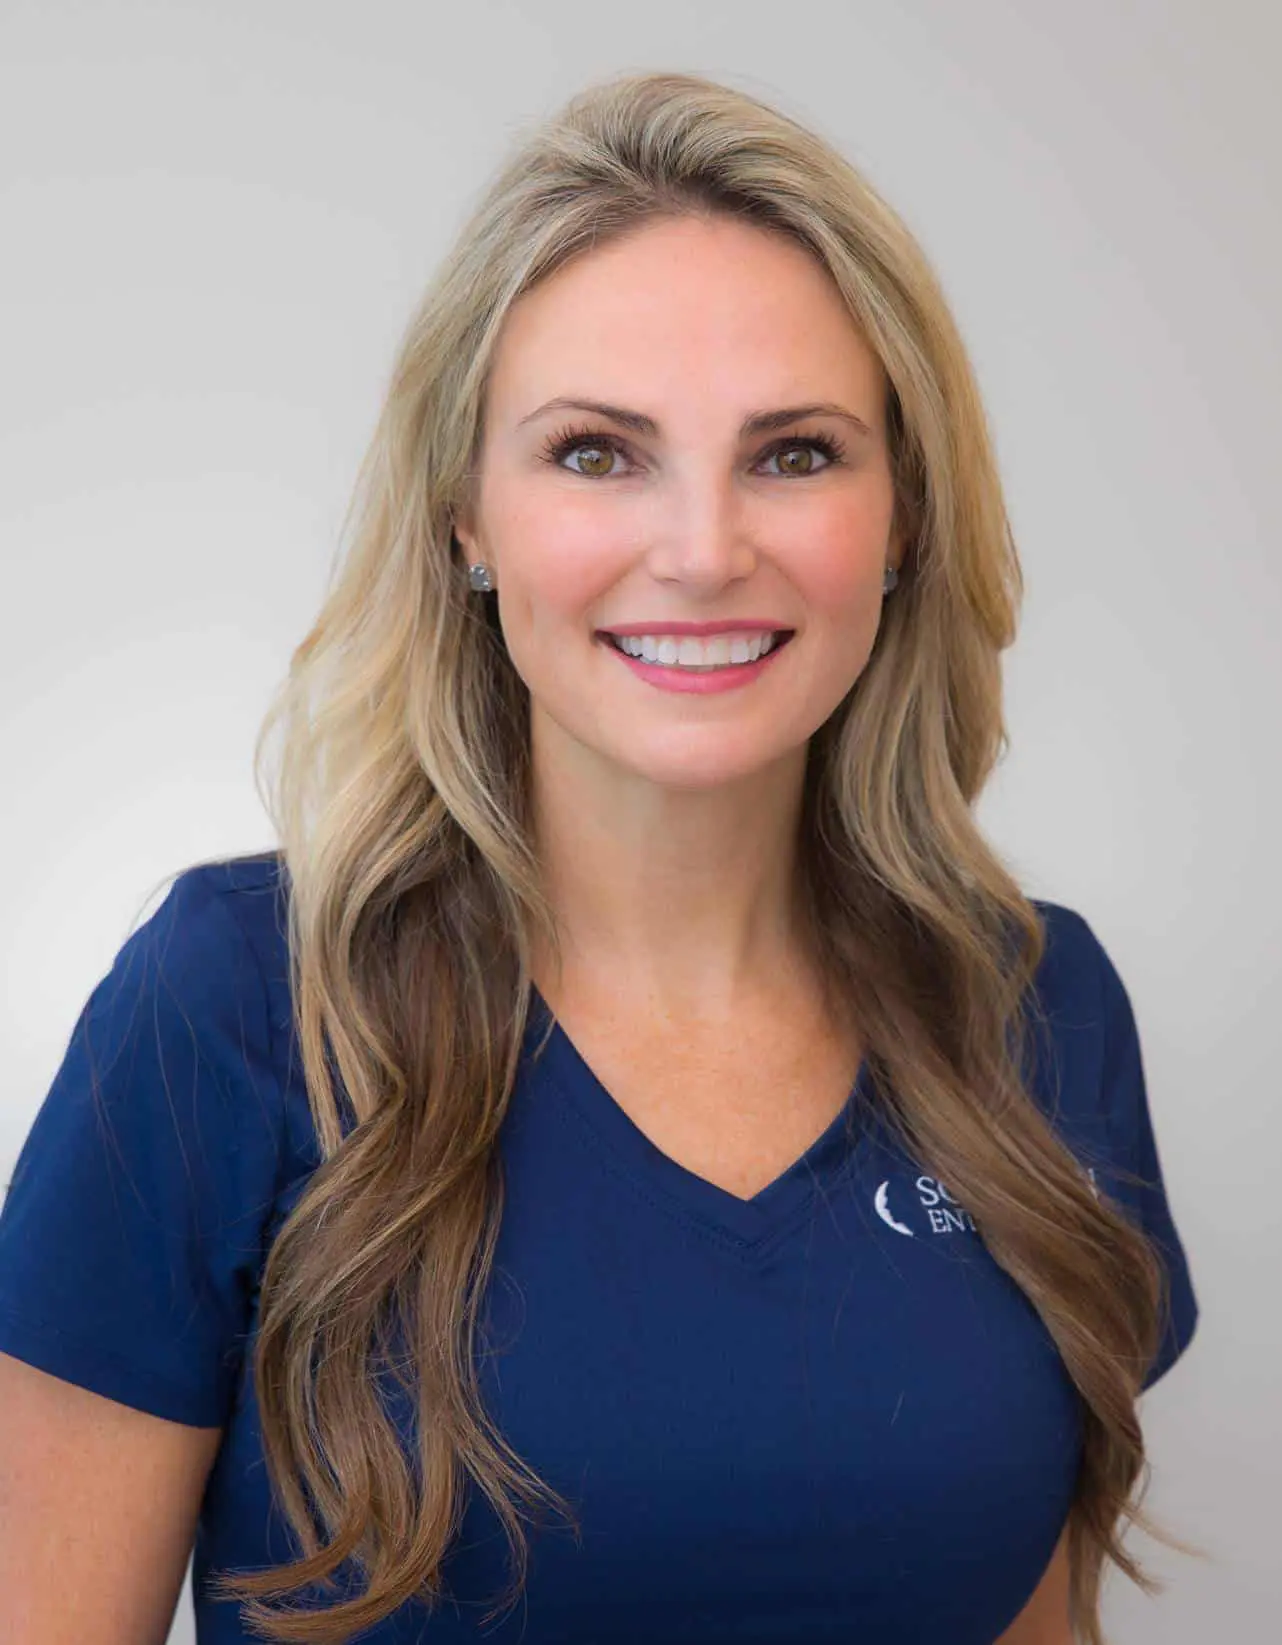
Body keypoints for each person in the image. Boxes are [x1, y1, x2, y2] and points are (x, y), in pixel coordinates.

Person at [0, 69, 1199, 1645]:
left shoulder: (1037, 1013)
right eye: (593, 453)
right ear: (464, 523)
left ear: (902, 517)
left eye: (793, 453)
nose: (701, 549)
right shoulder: (233, 1010)